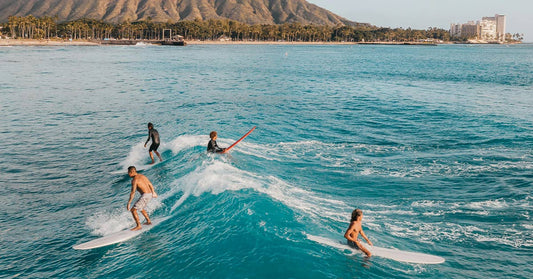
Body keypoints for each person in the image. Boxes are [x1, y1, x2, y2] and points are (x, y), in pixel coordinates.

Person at [126, 166, 158, 231]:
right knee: (140, 208)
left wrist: (129, 203)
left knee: (133, 210)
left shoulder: (135, 180)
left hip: (145, 195)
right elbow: (150, 184)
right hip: (149, 194)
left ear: (131, 172)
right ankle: (148, 221)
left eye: (128, 172)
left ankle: (138, 226)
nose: (128, 174)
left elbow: (133, 192)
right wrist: (153, 192)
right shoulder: (142, 176)